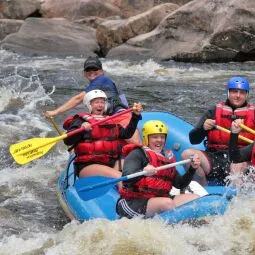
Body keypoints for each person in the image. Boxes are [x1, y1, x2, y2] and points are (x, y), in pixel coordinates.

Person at [45, 56, 141, 144]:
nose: (91, 71)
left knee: (135, 144)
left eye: (95, 69)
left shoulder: (102, 79)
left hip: (119, 115)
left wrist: (56, 112)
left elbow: (78, 98)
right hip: (108, 118)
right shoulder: (98, 84)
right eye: (88, 69)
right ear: (84, 73)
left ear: (102, 71)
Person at [116, 120, 200, 219]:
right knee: (167, 204)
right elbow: (126, 180)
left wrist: (192, 169)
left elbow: (179, 184)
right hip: (133, 201)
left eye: (162, 137)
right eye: (154, 137)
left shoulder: (166, 157)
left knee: (195, 199)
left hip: (159, 198)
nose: (159, 140)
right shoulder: (137, 153)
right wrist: (143, 172)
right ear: (146, 138)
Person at [181, 76, 255, 185]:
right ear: (228, 92)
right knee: (187, 155)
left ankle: (234, 196)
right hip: (214, 157)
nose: (238, 96)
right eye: (234, 92)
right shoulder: (213, 111)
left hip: (241, 158)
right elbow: (193, 140)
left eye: (242, 93)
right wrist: (203, 129)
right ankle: (204, 188)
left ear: (247, 95)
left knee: (237, 164)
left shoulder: (253, 113)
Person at [63, 89, 143, 179]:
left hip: (111, 162)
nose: (100, 105)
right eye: (96, 102)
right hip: (88, 164)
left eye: (102, 102)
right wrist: (82, 129)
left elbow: (127, 134)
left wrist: (135, 116)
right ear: (89, 104)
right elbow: (67, 141)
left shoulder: (110, 120)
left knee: (136, 174)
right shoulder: (80, 120)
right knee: (123, 179)